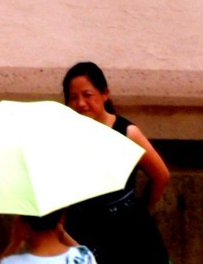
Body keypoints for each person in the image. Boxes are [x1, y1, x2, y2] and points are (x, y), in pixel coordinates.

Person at [61, 63, 169, 264]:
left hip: (130, 236)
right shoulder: (66, 137)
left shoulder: (127, 133)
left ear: (105, 94)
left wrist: (141, 209)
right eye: (73, 97)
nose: (81, 103)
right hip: (84, 235)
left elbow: (161, 175)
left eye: (87, 95)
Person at [0, 208, 93, 264]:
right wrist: (62, 233)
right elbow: (81, 250)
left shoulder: (12, 262)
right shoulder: (83, 256)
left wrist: (15, 242)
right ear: (62, 219)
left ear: (23, 224)